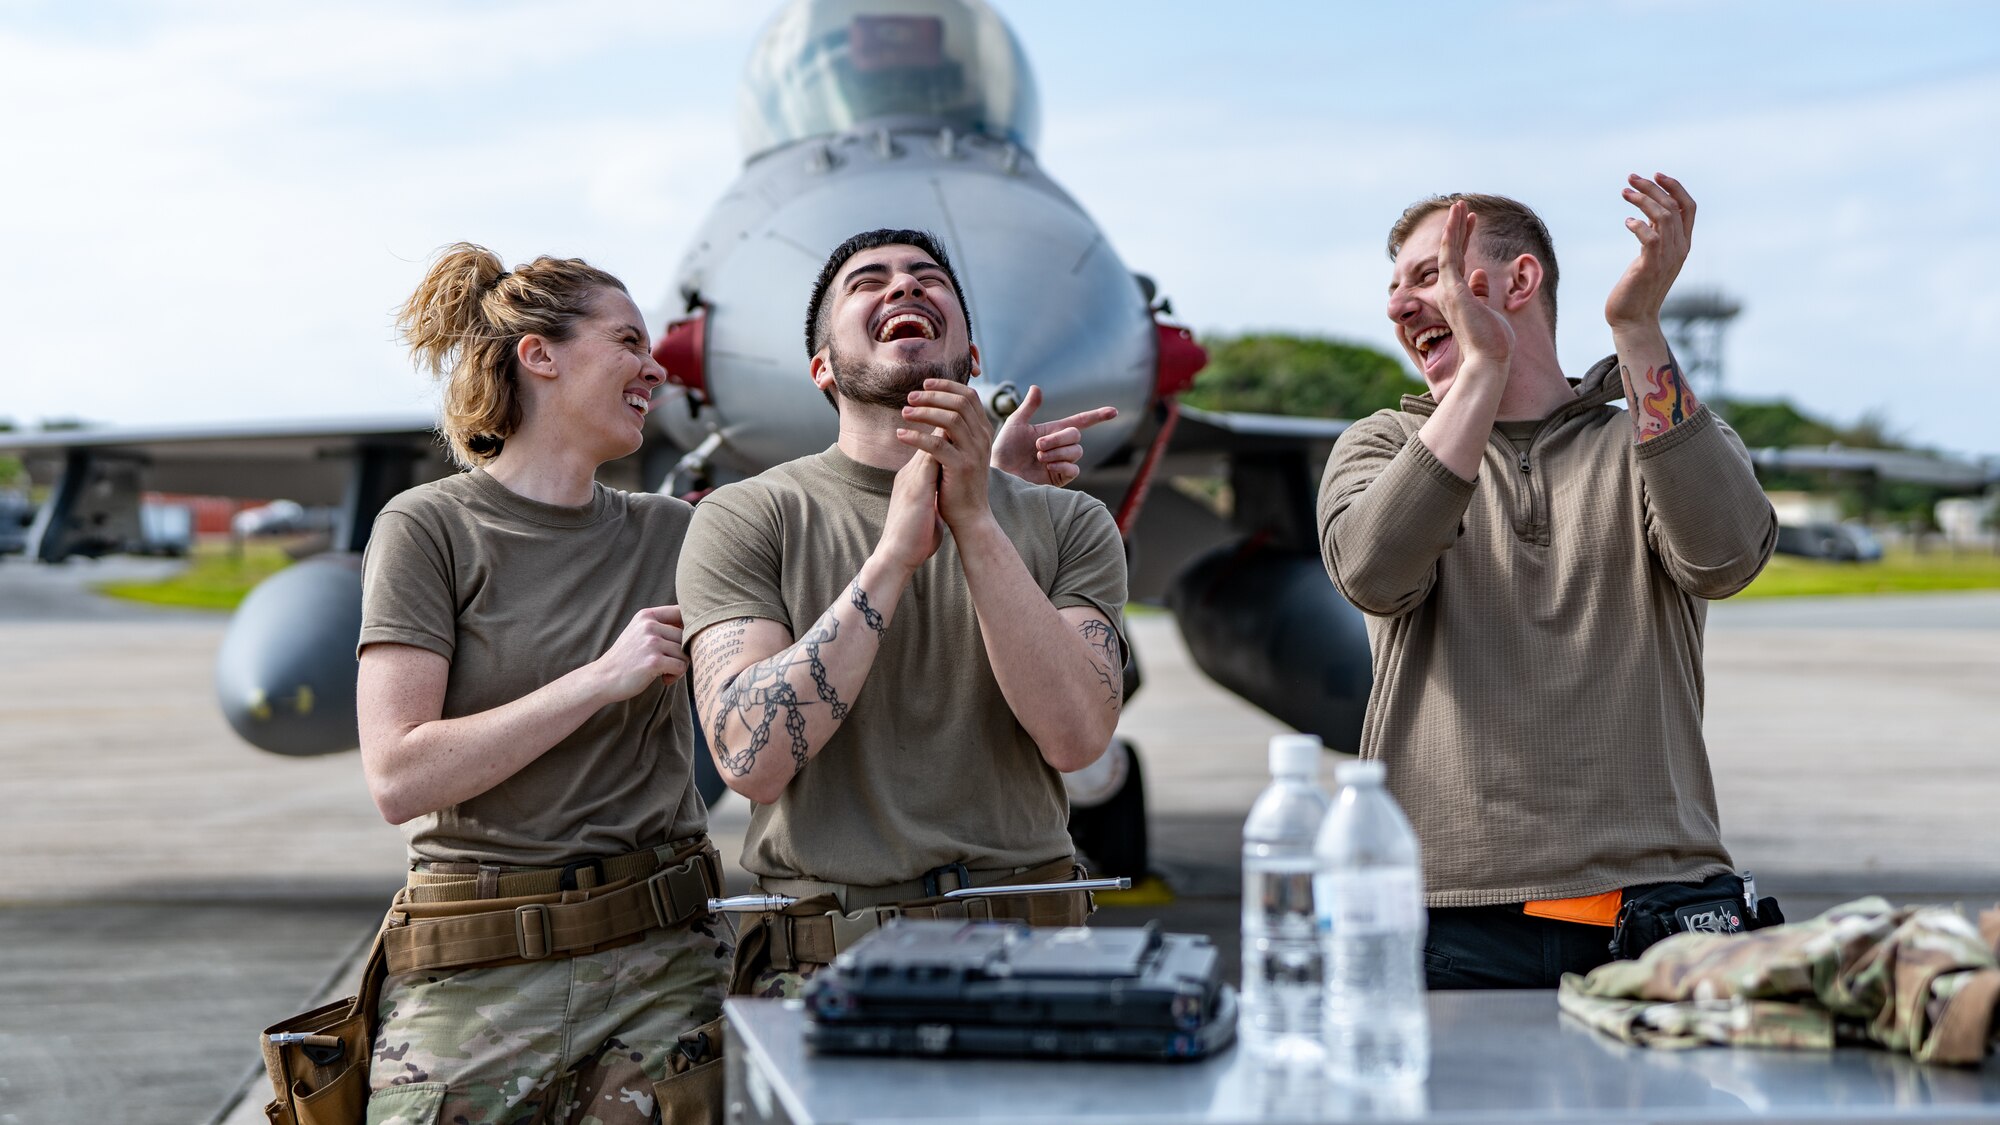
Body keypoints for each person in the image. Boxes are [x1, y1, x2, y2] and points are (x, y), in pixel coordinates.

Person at [1317, 176, 1778, 989]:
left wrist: (1638, 330)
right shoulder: (1381, 444)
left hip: (1658, 911)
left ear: (1520, 282)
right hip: (1450, 920)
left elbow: (1728, 556)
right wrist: (1482, 371)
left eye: (1428, 276)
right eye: (1393, 288)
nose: (1398, 307)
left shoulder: (1648, 437)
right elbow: (1373, 572)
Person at [676, 228, 1130, 996]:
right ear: (822, 368)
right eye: (868, 281)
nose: (905, 287)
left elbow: (1079, 736)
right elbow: (751, 761)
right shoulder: (746, 517)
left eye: (928, 278)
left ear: (975, 358)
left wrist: (980, 522)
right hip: (821, 967)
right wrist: (890, 558)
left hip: (1030, 954)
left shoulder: (1069, 522)